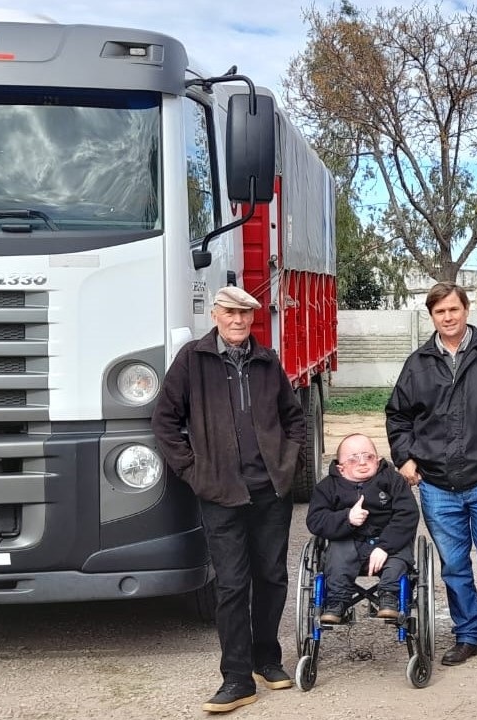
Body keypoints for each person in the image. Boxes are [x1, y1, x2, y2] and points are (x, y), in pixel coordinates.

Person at [151, 286, 305, 714]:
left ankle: (267, 660)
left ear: (253, 319)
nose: (237, 321)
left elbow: (294, 419)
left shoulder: (266, 360)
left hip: (270, 490)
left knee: (271, 577)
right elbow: (164, 420)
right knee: (233, 584)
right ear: (215, 315)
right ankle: (236, 678)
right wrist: (191, 470)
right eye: (230, 314)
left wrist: (287, 464)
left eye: (245, 315)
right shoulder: (192, 360)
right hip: (220, 493)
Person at [385, 281, 477, 678]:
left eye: (454, 309)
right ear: (431, 316)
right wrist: (406, 458)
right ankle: (468, 635)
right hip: (436, 485)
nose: (448, 317)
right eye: (439, 312)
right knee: (453, 566)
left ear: (467, 309)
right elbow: (398, 416)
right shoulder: (417, 364)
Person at [305, 433, 418, 624]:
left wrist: (384, 546)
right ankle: (337, 601)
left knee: (398, 559)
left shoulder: (393, 481)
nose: (362, 463)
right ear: (340, 468)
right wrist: (346, 518)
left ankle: (389, 597)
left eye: (369, 457)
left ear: (379, 460)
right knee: (337, 554)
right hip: (349, 542)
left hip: (387, 543)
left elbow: (408, 514)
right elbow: (315, 520)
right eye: (353, 459)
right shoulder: (328, 487)